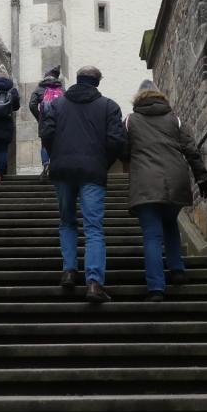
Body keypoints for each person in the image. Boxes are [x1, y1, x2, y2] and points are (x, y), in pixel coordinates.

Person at [39, 65, 127, 303]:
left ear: (77, 80)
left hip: (62, 170)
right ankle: (94, 283)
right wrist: (102, 162)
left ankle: (69, 270)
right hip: (93, 172)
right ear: (97, 82)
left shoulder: (57, 105)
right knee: (93, 228)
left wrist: (56, 156)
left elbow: (46, 133)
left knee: (67, 221)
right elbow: (116, 140)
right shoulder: (109, 106)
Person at [122, 79, 207, 301]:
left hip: (145, 182)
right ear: (160, 96)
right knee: (170, 223)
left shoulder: (130, 121)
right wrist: (202, 178)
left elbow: (123, 151)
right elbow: (191, 150)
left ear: (137, 98)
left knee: (152, 234)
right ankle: (177, 269)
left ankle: (156, 287)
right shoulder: (175, 119)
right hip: (175, 180)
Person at [27, 66, 64, 182]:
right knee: (58, 146)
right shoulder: (62, 90)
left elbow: (32, 105)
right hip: (59, 123)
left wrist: (40, 117)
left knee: (45, 145)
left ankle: (46, 165)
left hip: (45, 123)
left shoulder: (39, 89)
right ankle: (56, 168)